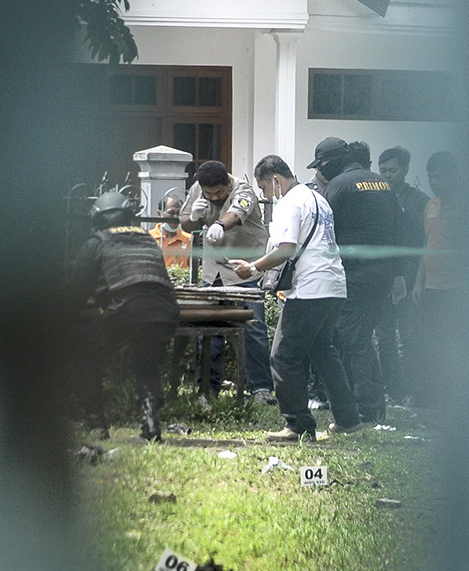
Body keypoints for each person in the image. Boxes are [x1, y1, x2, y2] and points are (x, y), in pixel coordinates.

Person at [228, 155, 364, 441]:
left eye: (264, 188)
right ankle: (348, 419)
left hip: (309, 289)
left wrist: (252, 268)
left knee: (283, 356)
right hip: (333, 285)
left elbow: (286, 248)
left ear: (275, 180)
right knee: (323, 351)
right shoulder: (318, 199)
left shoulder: (290, 203)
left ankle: (298, 425)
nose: (266, 195)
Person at [70, 190, 180, 442]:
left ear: (97, 219)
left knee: (88, 355)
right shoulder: (147, 239)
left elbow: (77, 292)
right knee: (146, 362)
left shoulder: (96, 242)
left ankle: (96, 423)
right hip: (165, 310)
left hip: (126, 310)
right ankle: (151, 424)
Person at [309, 136, 401, 425]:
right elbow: (399, 230)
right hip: (383, 273)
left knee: (355, 341)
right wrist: (399, 273)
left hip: (355, 274)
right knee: (361, 337)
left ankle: (367, 409)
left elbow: (322, 231)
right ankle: (366, 404)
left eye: (321, 165)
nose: (319, 172)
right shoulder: (382, 183)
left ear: (331, 163)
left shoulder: (339, 186)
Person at [179, 160, 274, 404]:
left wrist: (220, 225)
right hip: (214, 272)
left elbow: (236, 213)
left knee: (253, 330)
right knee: (209, 331)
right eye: (208, 193)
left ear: (228, 183)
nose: (213, 197)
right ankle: (207, 389)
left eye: (219, 192)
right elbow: (185, 222)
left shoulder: (243, 189)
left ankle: (261, 389)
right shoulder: (198, 190)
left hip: (244, 271)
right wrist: (193, 216)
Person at [410, 151, 468, 405]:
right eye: (430, 177)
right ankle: (428, 395)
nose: (433, 182)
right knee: (428, 343)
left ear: (453, 176)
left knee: (453, 344)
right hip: (430, 288)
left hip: (456, 290)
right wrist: (418, 282)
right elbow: (427, 241)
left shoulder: (463, 207)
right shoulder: (431, 205)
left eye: (439, 176)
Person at [375, 146, 430, 403]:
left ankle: (414, 390)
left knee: (410, 334)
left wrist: (417, 280)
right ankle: (392, 389)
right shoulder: (375, 198)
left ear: (406, 170)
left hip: (409, 271)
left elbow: (425, 243)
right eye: (383, 170)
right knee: (384, 335)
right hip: (383, 274)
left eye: (392, 170)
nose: (387, 175)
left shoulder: (419, 201)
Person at [149, 194, 193, 269]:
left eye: (179, 213)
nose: (175, 217)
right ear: (159, 213)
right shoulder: (149, 238)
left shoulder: (189, 239)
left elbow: (193, 269)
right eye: (171, 213)